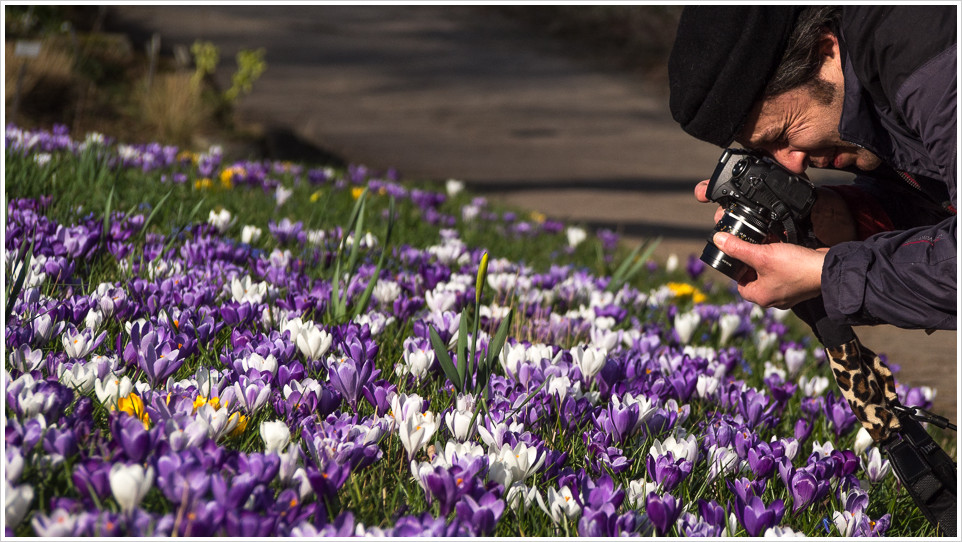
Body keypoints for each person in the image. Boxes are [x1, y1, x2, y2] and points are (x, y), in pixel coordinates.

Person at [667, 5, 957, 331]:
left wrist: (825, 273)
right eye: (763, 151)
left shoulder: (925, 54)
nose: (794, 164)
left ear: (824, 51)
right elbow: (939, 205)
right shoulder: (862, 87)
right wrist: (832, 220)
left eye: (783, 134)